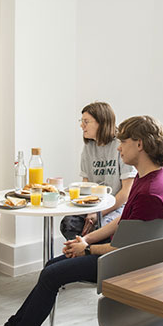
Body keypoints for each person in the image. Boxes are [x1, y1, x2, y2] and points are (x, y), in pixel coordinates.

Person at [0, 115, 163, 326]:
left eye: (123, 142)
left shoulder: (150, 192)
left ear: (140, 144)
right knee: (51, 267)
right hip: (118, 254)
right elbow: (121, 222)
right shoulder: (148, 179)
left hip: (123, 263)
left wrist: (86, 249)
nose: (119, 148)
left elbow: (128, 248)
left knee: (52, 274)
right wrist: (85, 239)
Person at [59, 102, 136, 242]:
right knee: (68, 224)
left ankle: (88, 252)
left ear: (102, 122)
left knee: (102, 228)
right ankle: (81, 252)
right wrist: (87, 210)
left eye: (86, 121)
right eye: (81, 121)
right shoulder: (88, 147)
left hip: (117, 206)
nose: (81, 125)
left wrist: (99, 213)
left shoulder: (121, 145)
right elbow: (86, 185)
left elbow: (126, 193)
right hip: (94, 206)